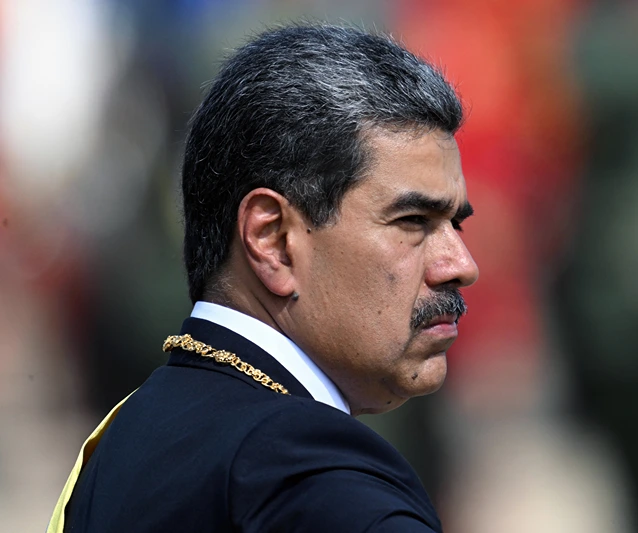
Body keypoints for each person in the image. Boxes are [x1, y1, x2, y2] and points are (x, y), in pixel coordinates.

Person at [48, 24, 479, 533]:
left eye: (456, 223)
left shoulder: (120, 440)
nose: (461, 264)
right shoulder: (311, 476)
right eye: (413, 222)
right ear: (271, 240)